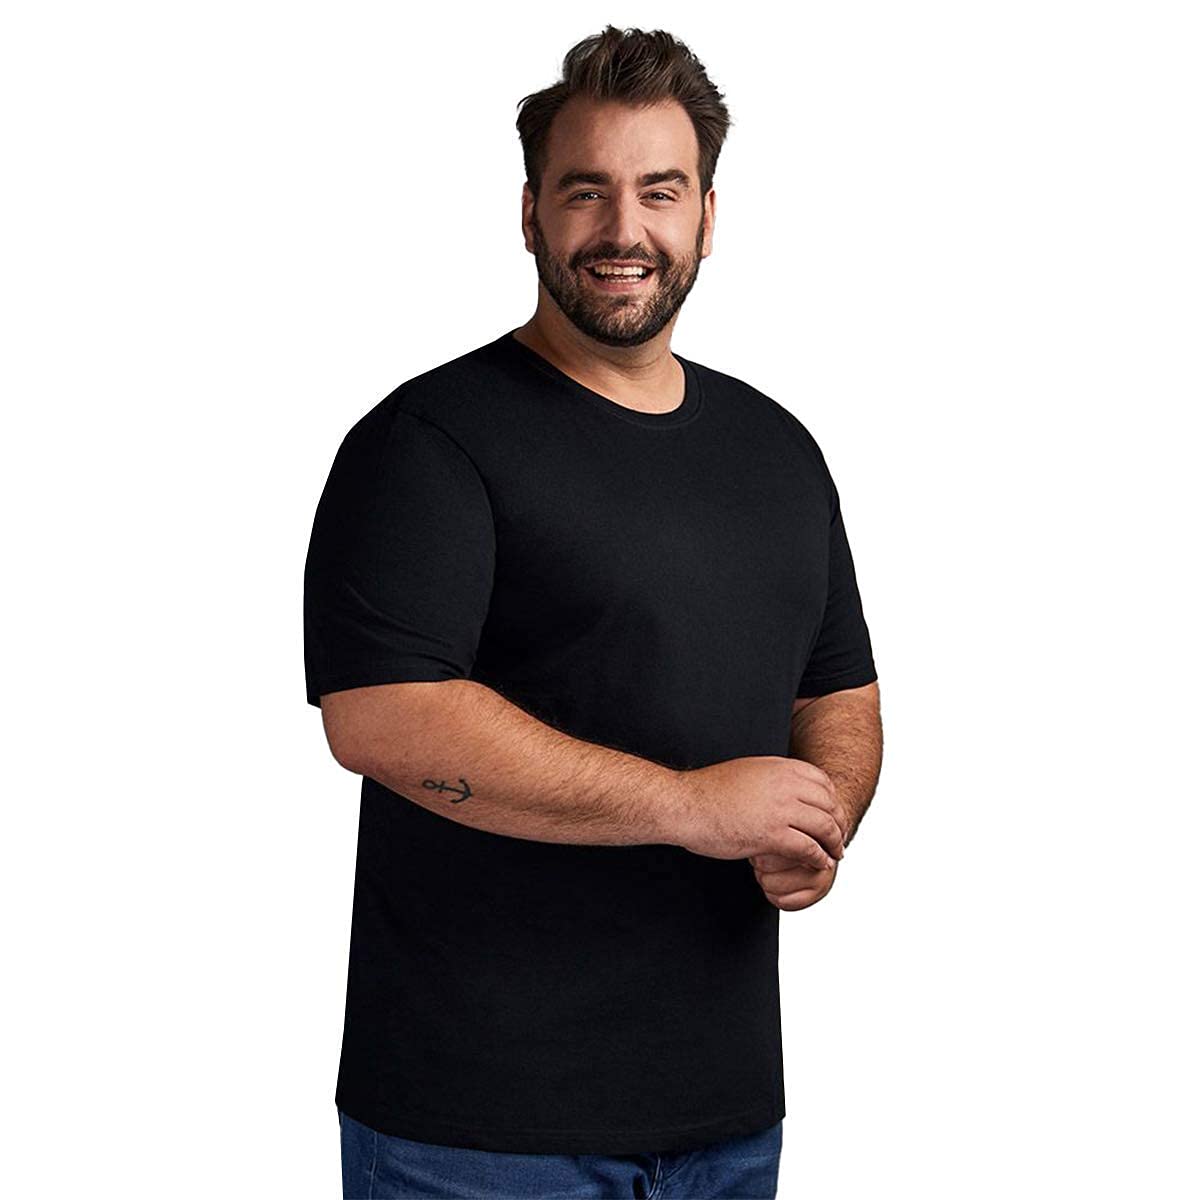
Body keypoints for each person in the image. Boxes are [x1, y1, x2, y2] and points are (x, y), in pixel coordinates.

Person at [304, 24, 883, 1200]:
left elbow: (837, 690)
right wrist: (691, 807)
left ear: (707, 217)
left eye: (659, 193)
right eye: (587, 192)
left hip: (725, 1119)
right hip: (478, 1132)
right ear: (531, 215)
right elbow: (380, 719)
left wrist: (822, 818)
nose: (625, 230)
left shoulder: (777, 450)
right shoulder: (427, 445)